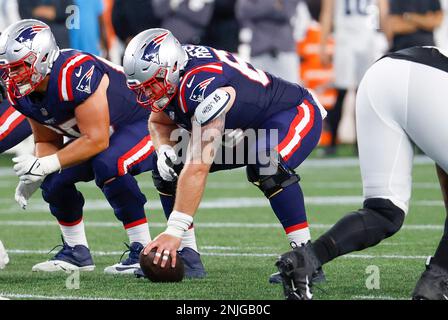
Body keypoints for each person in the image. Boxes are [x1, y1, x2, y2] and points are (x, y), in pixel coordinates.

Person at [0, 20, 205, 277]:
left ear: (42, 58)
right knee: (53, 179)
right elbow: (47, 140)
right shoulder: (18, 90)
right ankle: (76, 251)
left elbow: (97, 140)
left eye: (18, 67)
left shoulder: (74, 72)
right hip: (104, 132)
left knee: (110, 163)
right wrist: (38, 170)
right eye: (8, 69)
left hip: (142, 120)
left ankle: (140, 247)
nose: (12, 76)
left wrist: (46, 163)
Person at [122, 28, 327, 273]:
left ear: (172, 67)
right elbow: (158, 122)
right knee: (169, 165)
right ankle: (188, 256)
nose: (147, 94)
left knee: (266, 164)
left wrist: (173, 229)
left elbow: (199, 166)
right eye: (143, 88)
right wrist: (163, 148)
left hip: (292, 111)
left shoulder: (202, 85)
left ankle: (306, 260)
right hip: (243, 128)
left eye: (152, 85)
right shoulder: (174, 76)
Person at [275, 46, 448, 300]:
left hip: (380, 76)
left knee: (384, 211)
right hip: (429, 80)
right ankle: (437, 282)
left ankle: (304, 261)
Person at [319, 0, 383, 156]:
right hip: (351, 40)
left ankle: (355, 143)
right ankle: (335, 142)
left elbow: (382, 10)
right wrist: (322, 45)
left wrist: (323, 44)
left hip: (360, 40)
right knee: (345, 93)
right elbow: (327, 12)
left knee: (362, 93)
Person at [236, 0, 301, 84]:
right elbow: (242, 11)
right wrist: (274, 4)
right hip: (259, 50)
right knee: (257, 94)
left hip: (284, 50)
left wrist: (258, 6)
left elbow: (287, 12)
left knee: (292, 94)